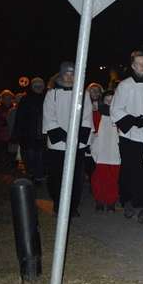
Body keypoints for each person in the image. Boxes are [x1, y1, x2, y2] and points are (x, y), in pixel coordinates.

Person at [110, 50, 143, 223]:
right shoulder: (124, 86)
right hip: (129, 135)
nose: (142, 67)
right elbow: (116, 109)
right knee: (129, 170)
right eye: (138, 64)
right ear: (133, 66)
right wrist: (134, 120)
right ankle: (128, 201)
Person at [42, 61, 93, 217]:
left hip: (77, 144)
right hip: (58, 145)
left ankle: (73, 207)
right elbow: (49, 117)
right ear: (61, 75)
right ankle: (58, 205)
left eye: (73, 74)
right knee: (56, 177)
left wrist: (76, 138)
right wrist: (65, 137)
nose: (70, 77)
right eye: (67, 74)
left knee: (76, 178)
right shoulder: (51, 94)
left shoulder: (83, 94)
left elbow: (86, 117)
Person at [90, 90, 121, 212]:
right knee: (99, 177)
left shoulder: (119, 113)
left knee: (114, 177)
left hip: (114, 149)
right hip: (101, 148)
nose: (109, 103)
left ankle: (111, 201)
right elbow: (92, 128)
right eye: (107, 100)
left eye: (112, 100)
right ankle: (99, 200)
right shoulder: (97, 113)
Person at [12, 77, 46, 182]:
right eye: (36, 85)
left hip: (42, 134)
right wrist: (17, 134)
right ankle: (31, 174)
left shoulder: (46, 98)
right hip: (28, 134)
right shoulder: (25, 99)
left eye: (40, 85)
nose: (38, 87)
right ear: (32, 86)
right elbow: (19, 117)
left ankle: (39, 175)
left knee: (40, 156)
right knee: (29, 156)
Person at [0, 90, 16, 171]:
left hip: (11, 134)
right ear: (2, 99)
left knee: (11, 152)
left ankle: (10, 167)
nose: (7, 100)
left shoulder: (14, 107)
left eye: (9, 98)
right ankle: (0, 167)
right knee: (0, 151)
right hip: (0, 134)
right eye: (5, 98)